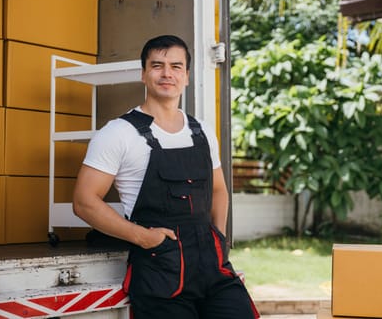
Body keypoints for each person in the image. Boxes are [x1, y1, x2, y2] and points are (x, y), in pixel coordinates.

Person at [73, 35, 259, 319]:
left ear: (186, 76)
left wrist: (219, 238)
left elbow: (219, 190)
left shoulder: (202, 131)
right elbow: (85, 202)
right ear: (143, 74)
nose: (167, 73)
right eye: (157, 66)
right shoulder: (118, 133)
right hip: (161, 269)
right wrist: (144, 238)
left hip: (213, 265)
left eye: (176, 66)